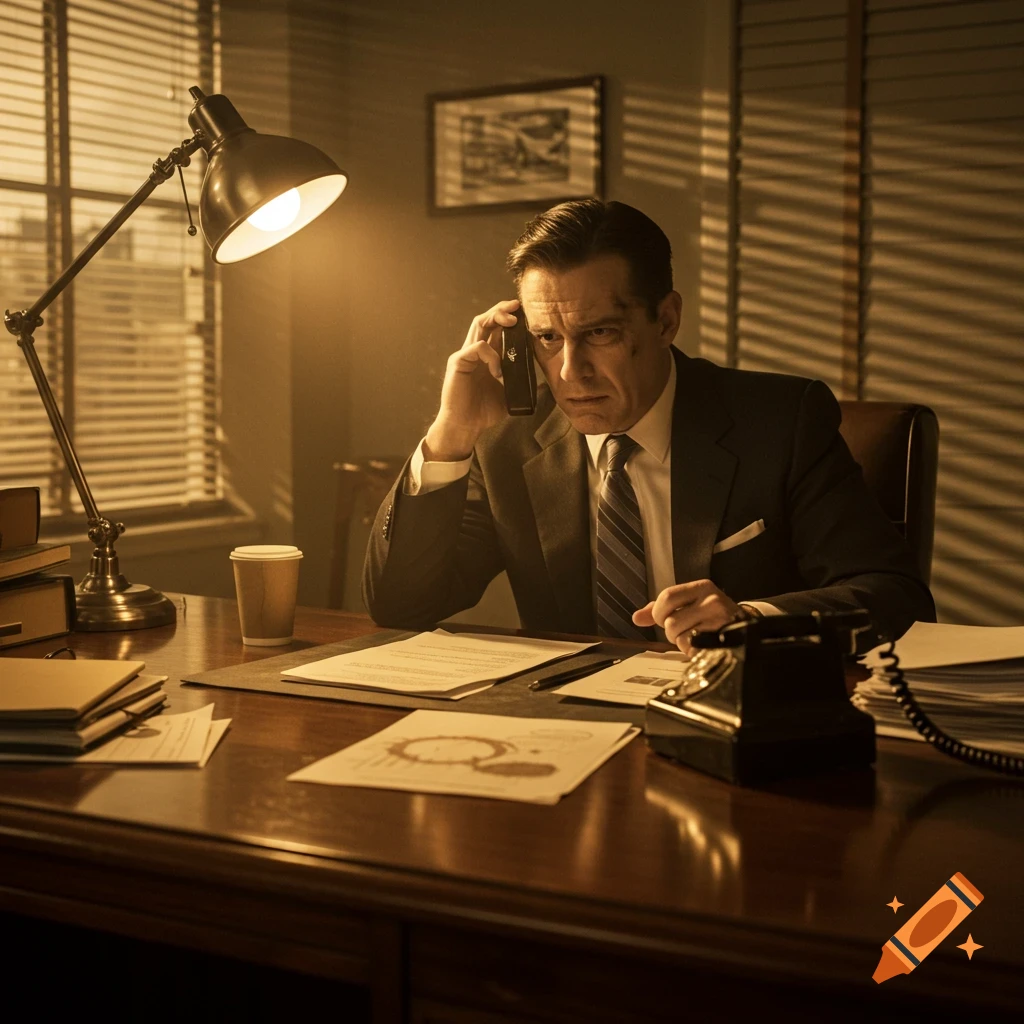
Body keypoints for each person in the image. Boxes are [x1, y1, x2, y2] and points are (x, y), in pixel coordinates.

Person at [362, 199, 934, 652]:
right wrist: (448, 435)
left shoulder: (781, 421)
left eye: (600, 333)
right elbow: (403, 606)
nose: (569, 371)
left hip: (738, 721)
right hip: (564, 727)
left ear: (666, 320)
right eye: (547, 338)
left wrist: (750, 619)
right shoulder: (505, 438)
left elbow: (896, 597)